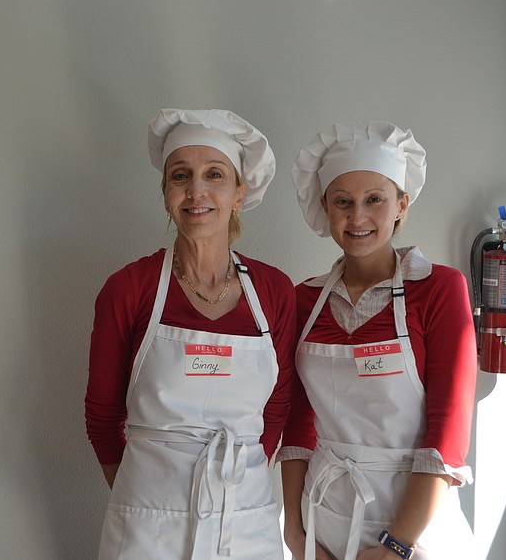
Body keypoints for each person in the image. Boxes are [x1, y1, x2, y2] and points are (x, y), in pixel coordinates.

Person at [85, 108, 296, 559]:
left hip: (246, 522)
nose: (196, 191)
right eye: (181, 176)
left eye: (214, 175)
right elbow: (102, 417)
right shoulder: (130, 288)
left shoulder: (274, 291)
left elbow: (276, 410)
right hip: (146, 526)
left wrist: (233, 490)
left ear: (239, 193)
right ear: (165, 193)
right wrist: (148, 497)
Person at [280, 121, 478, 560]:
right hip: (325, 520)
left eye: (375, 200)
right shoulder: (302, 300)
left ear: (401, 205)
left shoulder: (440, 289)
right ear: (325, 207)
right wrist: (296, 535)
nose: (357, 218)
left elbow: (448, 434)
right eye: (343, 202)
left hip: (419, 526)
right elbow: (296, 424)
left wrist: (396, 546)